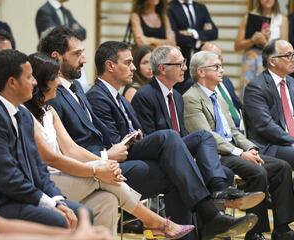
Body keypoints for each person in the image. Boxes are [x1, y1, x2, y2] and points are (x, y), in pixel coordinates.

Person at [41, 27, 258, 240]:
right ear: (57, 57)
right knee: (171, 144)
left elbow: (105, 132)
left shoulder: (78, 89)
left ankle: (214, 207)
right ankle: (209, 216)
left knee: (197, 144)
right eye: (77, 54)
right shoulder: (58, 96)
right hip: (97, 164)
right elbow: (70, 147)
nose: (84, 59)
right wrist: (107, 156)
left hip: (115, 156)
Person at [24, 52, 195, 239]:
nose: (59, 82)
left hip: (65, 174)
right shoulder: (26, 114)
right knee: (105, 177)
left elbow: (72, 149)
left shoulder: (49, 110)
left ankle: (153, 223)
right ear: (42, 82)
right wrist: (97, 170)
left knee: (108, 200)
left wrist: (103, 163)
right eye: (55, 77)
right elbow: (52, 158)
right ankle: (156, 222)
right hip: (46, 180)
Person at [0, 64, 112, 240]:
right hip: (4, 198)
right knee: (64, 215)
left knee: (93, 204)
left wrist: (71, 230)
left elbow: (0, 226)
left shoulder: (23, 115)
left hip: (22, 196)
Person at [183, 50, 294, 240]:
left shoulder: (216, 96)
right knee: (258, 171)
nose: (222, 70)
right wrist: (239, 153)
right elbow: (207, 136)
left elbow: (234, 132)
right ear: (201, 72)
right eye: (217, 67)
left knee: (281, 167)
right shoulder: (191, 97)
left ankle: (282, 229)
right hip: (215, 156)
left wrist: (251, 148)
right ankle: (255, 232)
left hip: (234, 151)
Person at [130, 45, 265, 211]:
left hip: (179, 151)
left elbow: (184, 134)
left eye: (184, 63)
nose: (185, 68)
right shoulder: (145, 95)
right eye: (179, 64)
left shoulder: (177, 97)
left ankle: (220, 225)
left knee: (225, 170)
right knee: (202, 135)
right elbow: (150, 139)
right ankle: (218, 196)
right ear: (162, 68)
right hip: (161, 155)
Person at [243, 39, 294, 238]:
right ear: (272, 61)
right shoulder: (255, 87)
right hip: (270, 146)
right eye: (288, 55)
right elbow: (265, 127)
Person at [234, 0, 288, 94]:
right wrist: (252, 40)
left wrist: (265, 43)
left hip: (271, 62)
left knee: (269, 96)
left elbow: (285, 50)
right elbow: (237, 46)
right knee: (247, 95)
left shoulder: (282, 19)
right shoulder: (249, 17)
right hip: (251, 62)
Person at [168, 0, 218, 94]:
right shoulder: (170, 7)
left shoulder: (200, 7)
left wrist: (193, 33)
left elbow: (214, 32)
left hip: (200, 60)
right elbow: (175, 36)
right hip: (180, 59)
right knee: (179, 92)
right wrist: (199, 39)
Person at [201, 42, 243, 130]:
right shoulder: (197, 84)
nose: (219, 62)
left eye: (220, 58)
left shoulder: (226, 80)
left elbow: (238, 106)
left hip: (242, 128)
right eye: (215, 58)